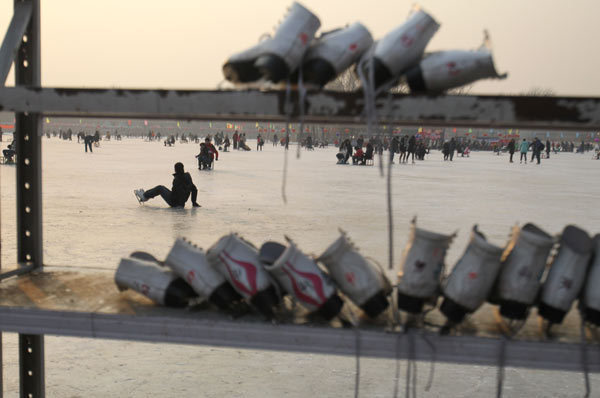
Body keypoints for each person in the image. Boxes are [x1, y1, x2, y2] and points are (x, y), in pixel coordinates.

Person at [134, 162, 200, 208]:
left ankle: (144, 196)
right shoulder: (187, 176)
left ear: (175, 169)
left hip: (175, 202)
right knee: (161, 187)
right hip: (180, 202)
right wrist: (194, 202)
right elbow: (194, 189)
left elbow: (177, 192)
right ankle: (146, 196)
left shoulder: (178, 179)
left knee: (160, 188)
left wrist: (179, 204)